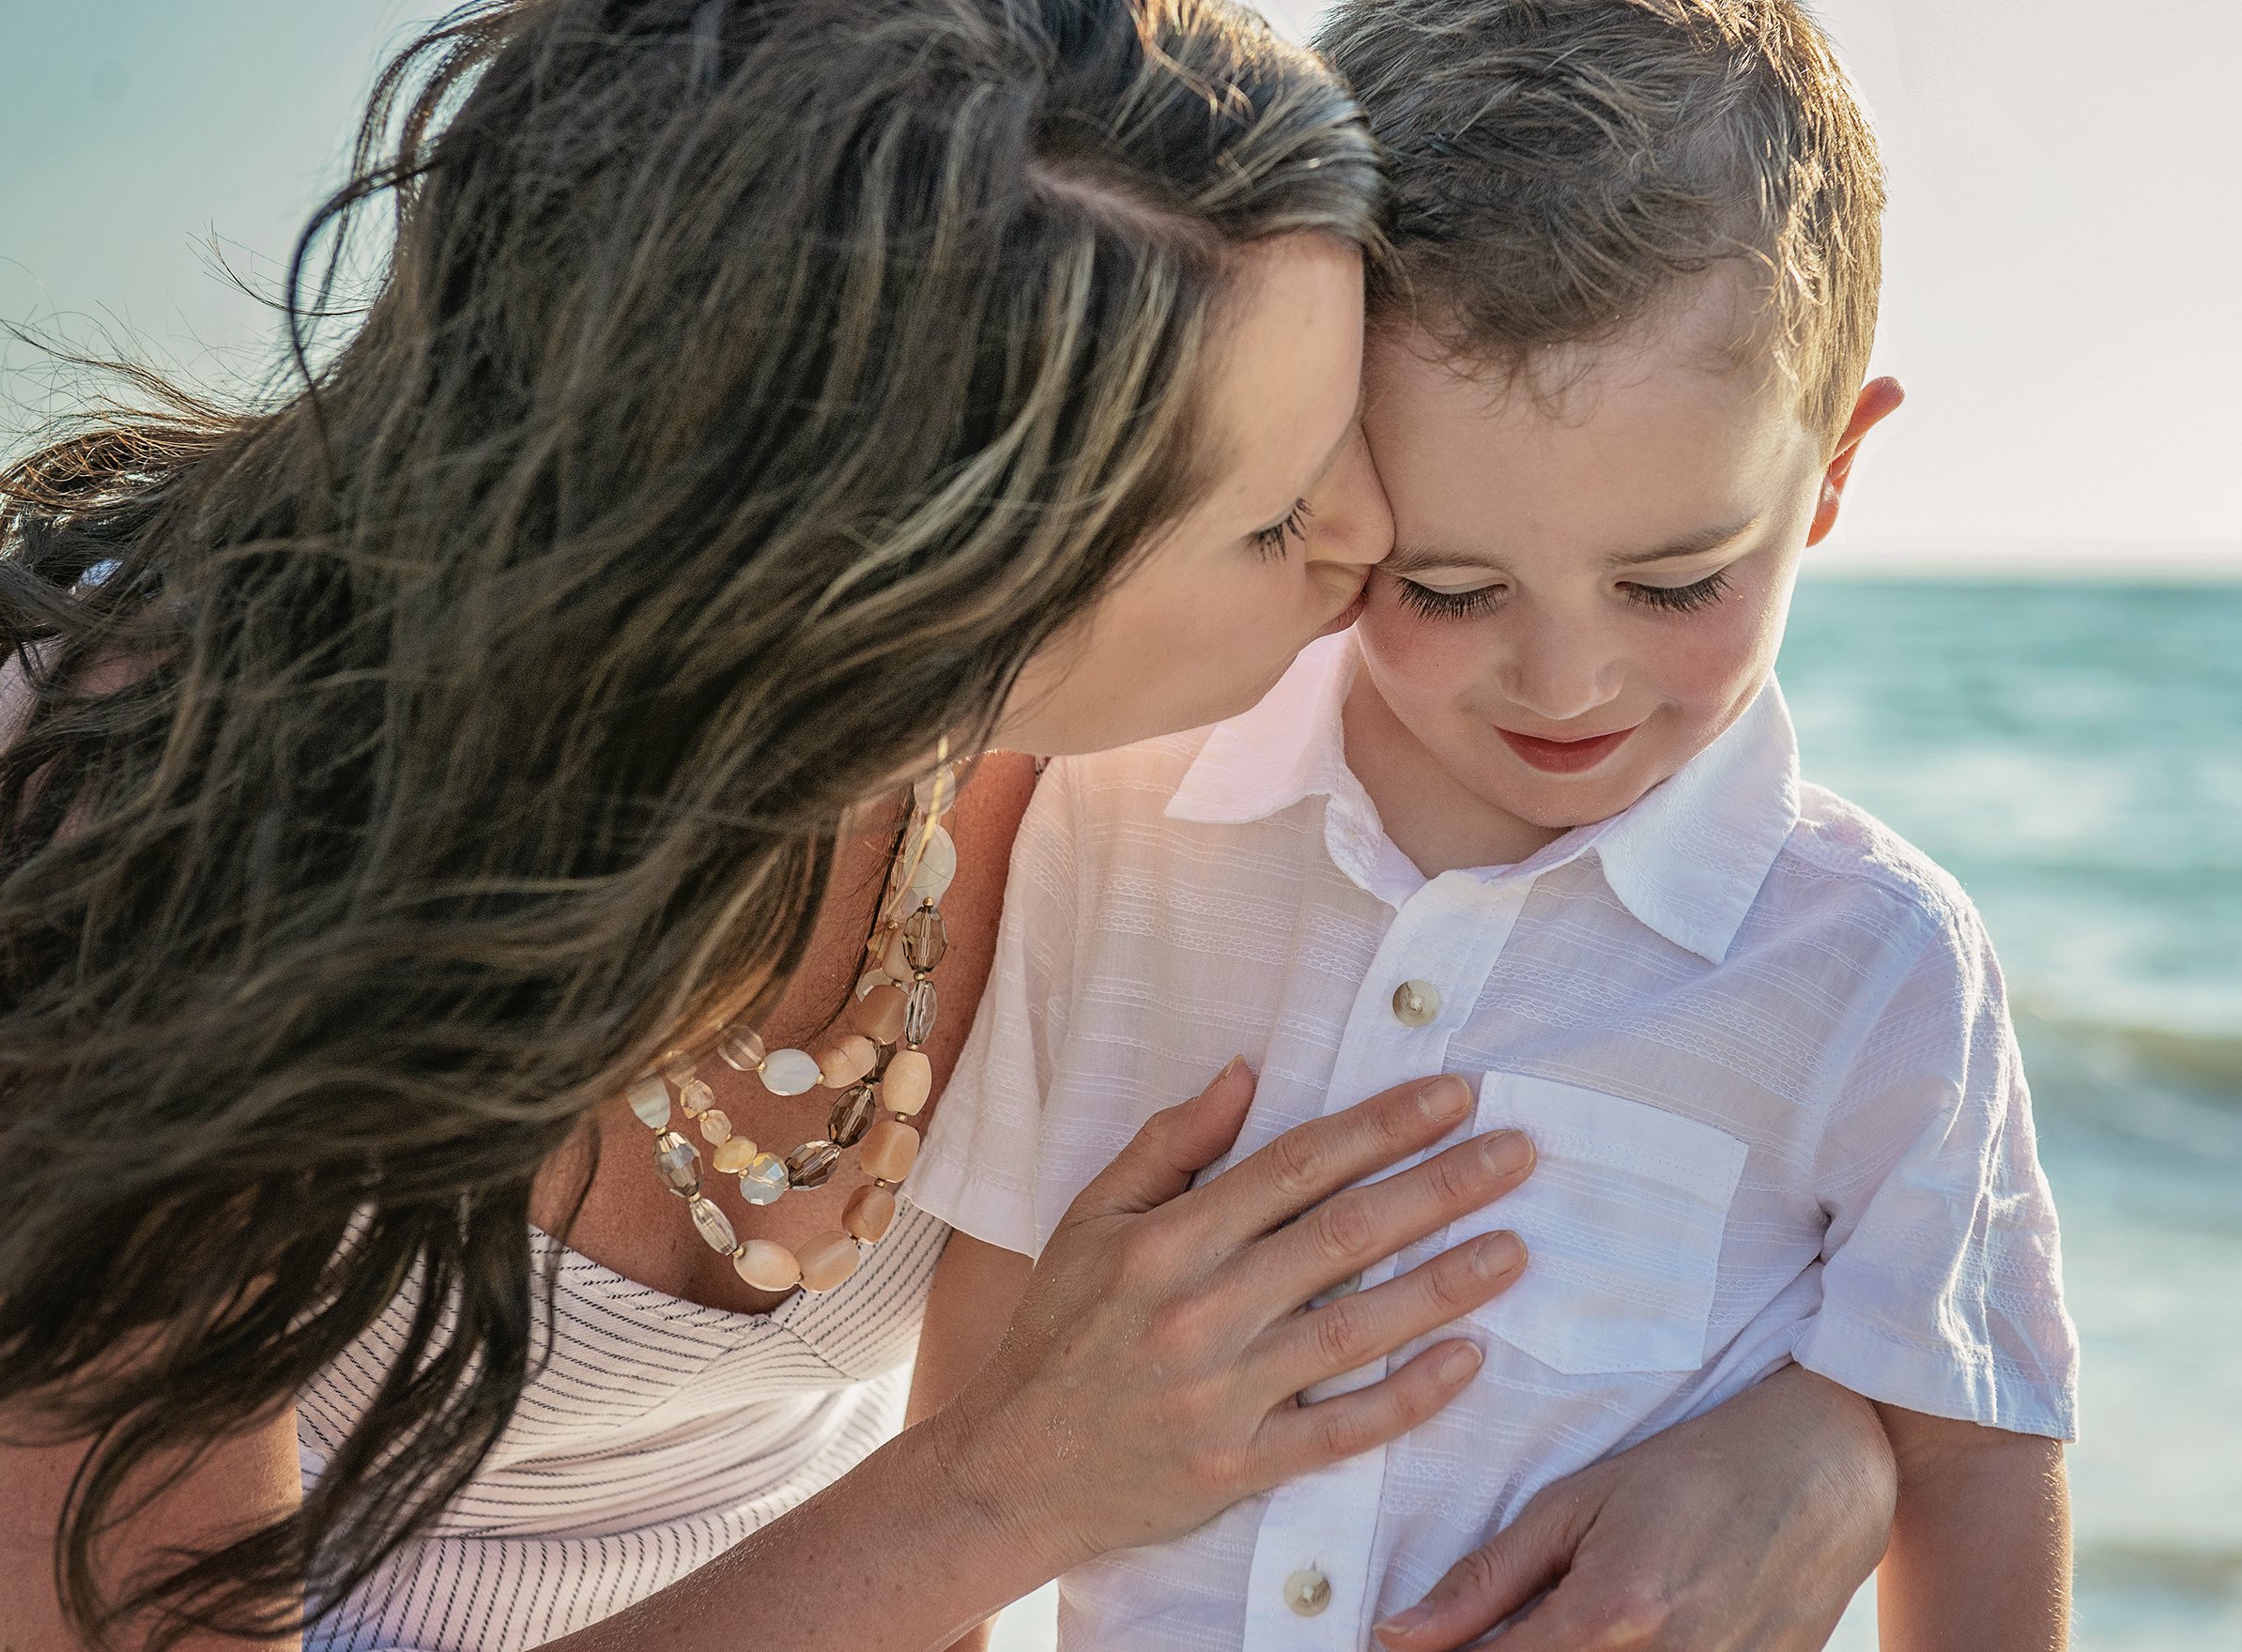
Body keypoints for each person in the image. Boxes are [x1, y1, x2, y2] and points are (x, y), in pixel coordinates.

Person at [0, 3, 1901, 1650]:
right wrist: (997, 1493)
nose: (1371, 541)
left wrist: (1828, 1433)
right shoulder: (122, 860)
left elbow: (1674, 1061)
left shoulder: (1165, 754)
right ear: (888, 602)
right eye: (1273, 516)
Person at [909, 1, 2081, 1649]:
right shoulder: (1121, 828)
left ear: (1829, 471)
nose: (1565, 676)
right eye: (1447, 585)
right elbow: (974, 1418)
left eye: (1675, 580)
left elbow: (1968, 1466)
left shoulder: (1875, 965)